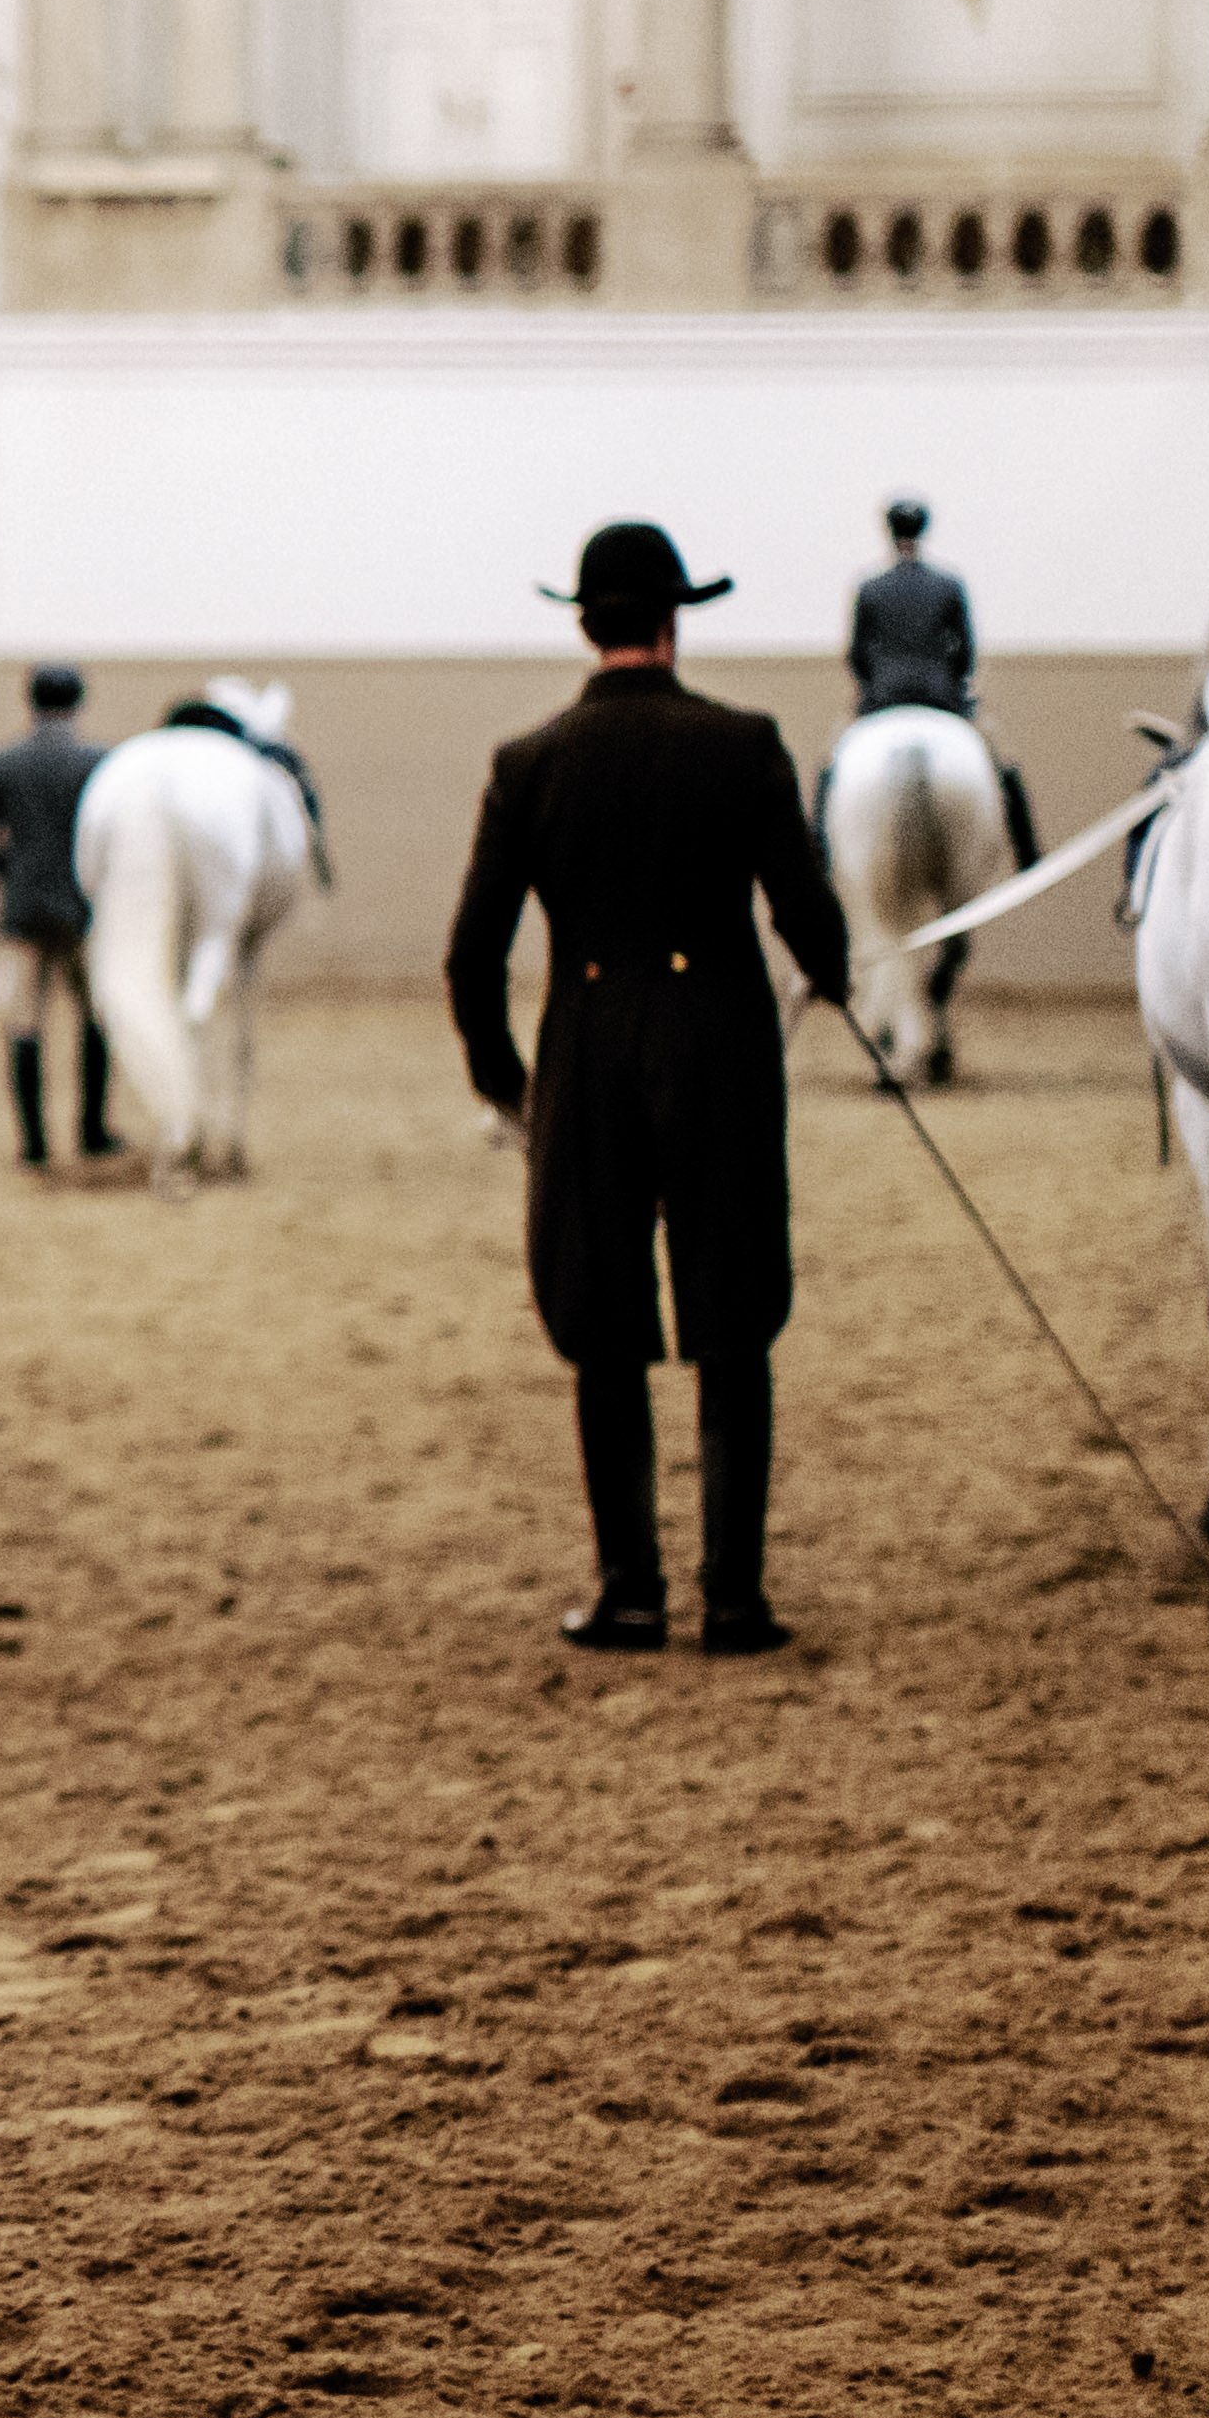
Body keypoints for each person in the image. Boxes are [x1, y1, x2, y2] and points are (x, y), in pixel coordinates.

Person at [446, 521, 849, 1658]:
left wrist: (507, 1085)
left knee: (605, 1320)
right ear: (674, 621)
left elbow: (471, 953)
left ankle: (628, 1590)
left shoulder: (529, 762)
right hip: (718, 1040)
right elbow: (804, 913)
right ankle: (733, 1596)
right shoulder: (743, 744)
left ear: (584, 623)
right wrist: (831, 971)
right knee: (732, 1316)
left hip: (585, 1045)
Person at [0, 665, 111, 1167]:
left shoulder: (2, 763)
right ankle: (90, 1130)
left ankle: (34, 1142)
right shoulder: (99, 762)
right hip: (83, 908)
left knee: (24, 1023)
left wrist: (12, 873)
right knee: (94, 1016)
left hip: (21, 911)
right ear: (79, 701)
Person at [845, 492, 1035, 860]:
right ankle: (1027, 852)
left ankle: (818, 846)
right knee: (1003, 765)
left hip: (883, 697)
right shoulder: (948, 585)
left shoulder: (870, 587)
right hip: (941, 696)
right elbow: (965, 652)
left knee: (832, 764)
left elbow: (856, 655)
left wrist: (873, 685)